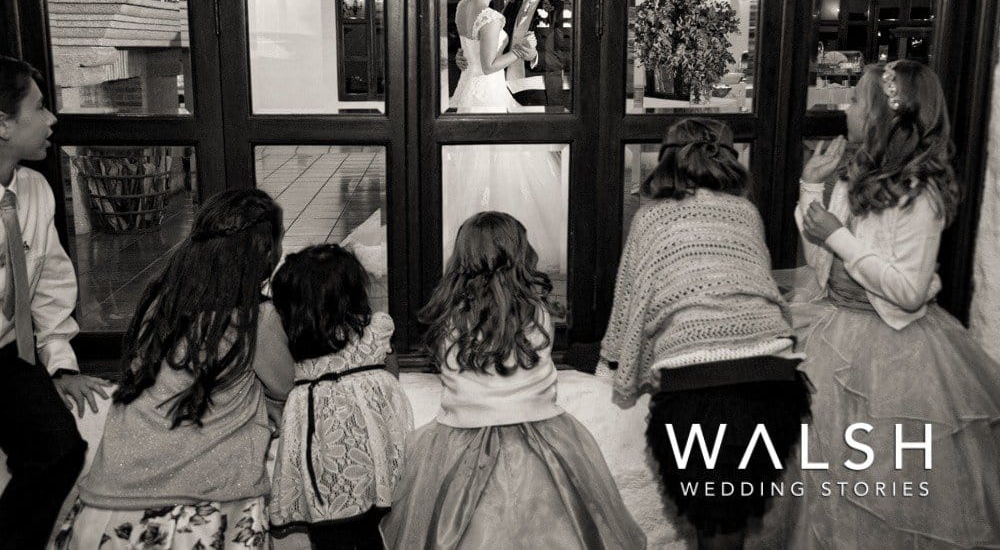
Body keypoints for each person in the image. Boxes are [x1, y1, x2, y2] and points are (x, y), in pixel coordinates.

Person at [787, 61, 1000, 548]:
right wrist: (810, 186)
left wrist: (840, 238)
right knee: (824, 481)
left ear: (886, 116)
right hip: (831, 334)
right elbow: (820, 258)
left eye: (858, 102)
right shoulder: (854, 177)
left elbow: (907, 289)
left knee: (884, 485)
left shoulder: (919, 196)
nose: (848, 109)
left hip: (896, 356)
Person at [599, 118, 810, 550]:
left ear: (668, 160)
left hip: (699, 385)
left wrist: (612, 366)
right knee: (731, 518)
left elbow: (631, 300)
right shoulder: (745, 213)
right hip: (774, 375)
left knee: (712, 523)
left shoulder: (650, 218)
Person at [380, 211, 645, 549]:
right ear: (521, 253)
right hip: (540, 439)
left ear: (462, 257)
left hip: (460, 442)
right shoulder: (539, 313)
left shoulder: (449, 318)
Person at [55, 188, 295, 549]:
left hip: (107, 510)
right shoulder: (254, 318)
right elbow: (288, 385)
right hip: (204, 514)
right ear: (264, 252)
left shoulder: (159, 304)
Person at [0, 55, 107, 548]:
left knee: (61, 449)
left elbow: (48, 287)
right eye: (39, 108)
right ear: (2, 123)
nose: (51, 120)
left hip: (7, 357)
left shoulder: (33, 190)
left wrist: (60, 365)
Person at [269, 244, 413, 549]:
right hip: (373, 449)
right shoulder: (376, 329)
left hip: (324, 455)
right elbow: (392, 377)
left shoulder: (296, 340)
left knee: (329, 523)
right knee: (378, 521)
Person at [441, 0, 566, 273]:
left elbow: (467, 49)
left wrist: (460, 55)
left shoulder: (460, 8)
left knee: (472, 165)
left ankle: (469, 240)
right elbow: (488, 65)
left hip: (469, 94)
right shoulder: (490, 18)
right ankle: (497, 244)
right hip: (489, 95)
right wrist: (518, 52)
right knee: (502, 164)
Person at [456, 0, 572, 111]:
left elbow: (571, 57)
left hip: (540, 96)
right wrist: (467, 55)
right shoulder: (511, 6)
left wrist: (536, 56)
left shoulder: (561, 9)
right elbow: (489, 42)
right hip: (503, 93)